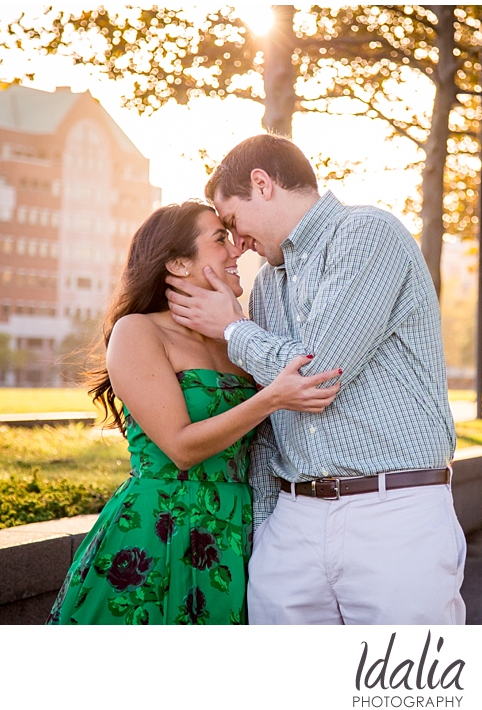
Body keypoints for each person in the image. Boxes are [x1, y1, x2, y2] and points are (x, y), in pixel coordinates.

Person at [165, 134, 465, 625]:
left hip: (393, 514)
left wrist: (232, 328)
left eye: (234, 222)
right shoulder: (266, 284)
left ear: (261, 185)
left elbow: (316, 375)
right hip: (293, 521)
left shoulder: (367, 233)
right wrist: (267, 530)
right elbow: (271, 415)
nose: (237, 244)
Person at [47, 200, 340, 625]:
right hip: (161, 526)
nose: (237, 249)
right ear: (179, 264)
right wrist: (272, 397)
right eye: (220, 239)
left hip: (237, 529)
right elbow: (181, 447)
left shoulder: (239, 338)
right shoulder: (139, 331)